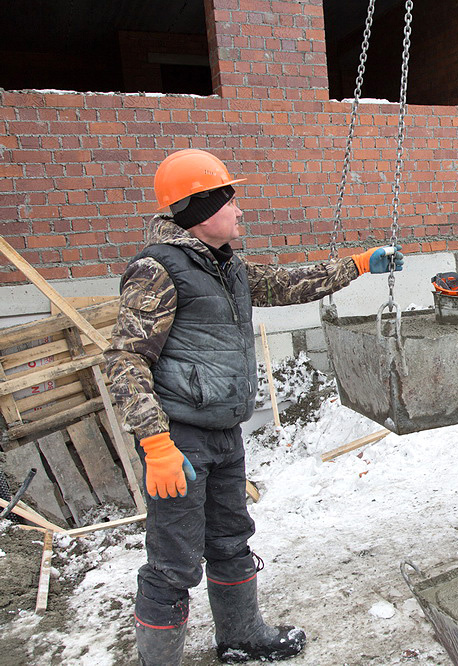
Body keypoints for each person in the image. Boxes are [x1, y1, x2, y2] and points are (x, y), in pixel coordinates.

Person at [105, 148, 404, 665]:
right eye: (229, 199)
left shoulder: (225, 266)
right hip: (178, 442)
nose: (240, 210)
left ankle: (241, 636)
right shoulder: (158, 270)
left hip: (223, 432)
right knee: (173, 564)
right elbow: (125, 361)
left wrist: (358, 264)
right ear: (200, 208)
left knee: (230, 540)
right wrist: (156, 444)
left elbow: (287, 284)